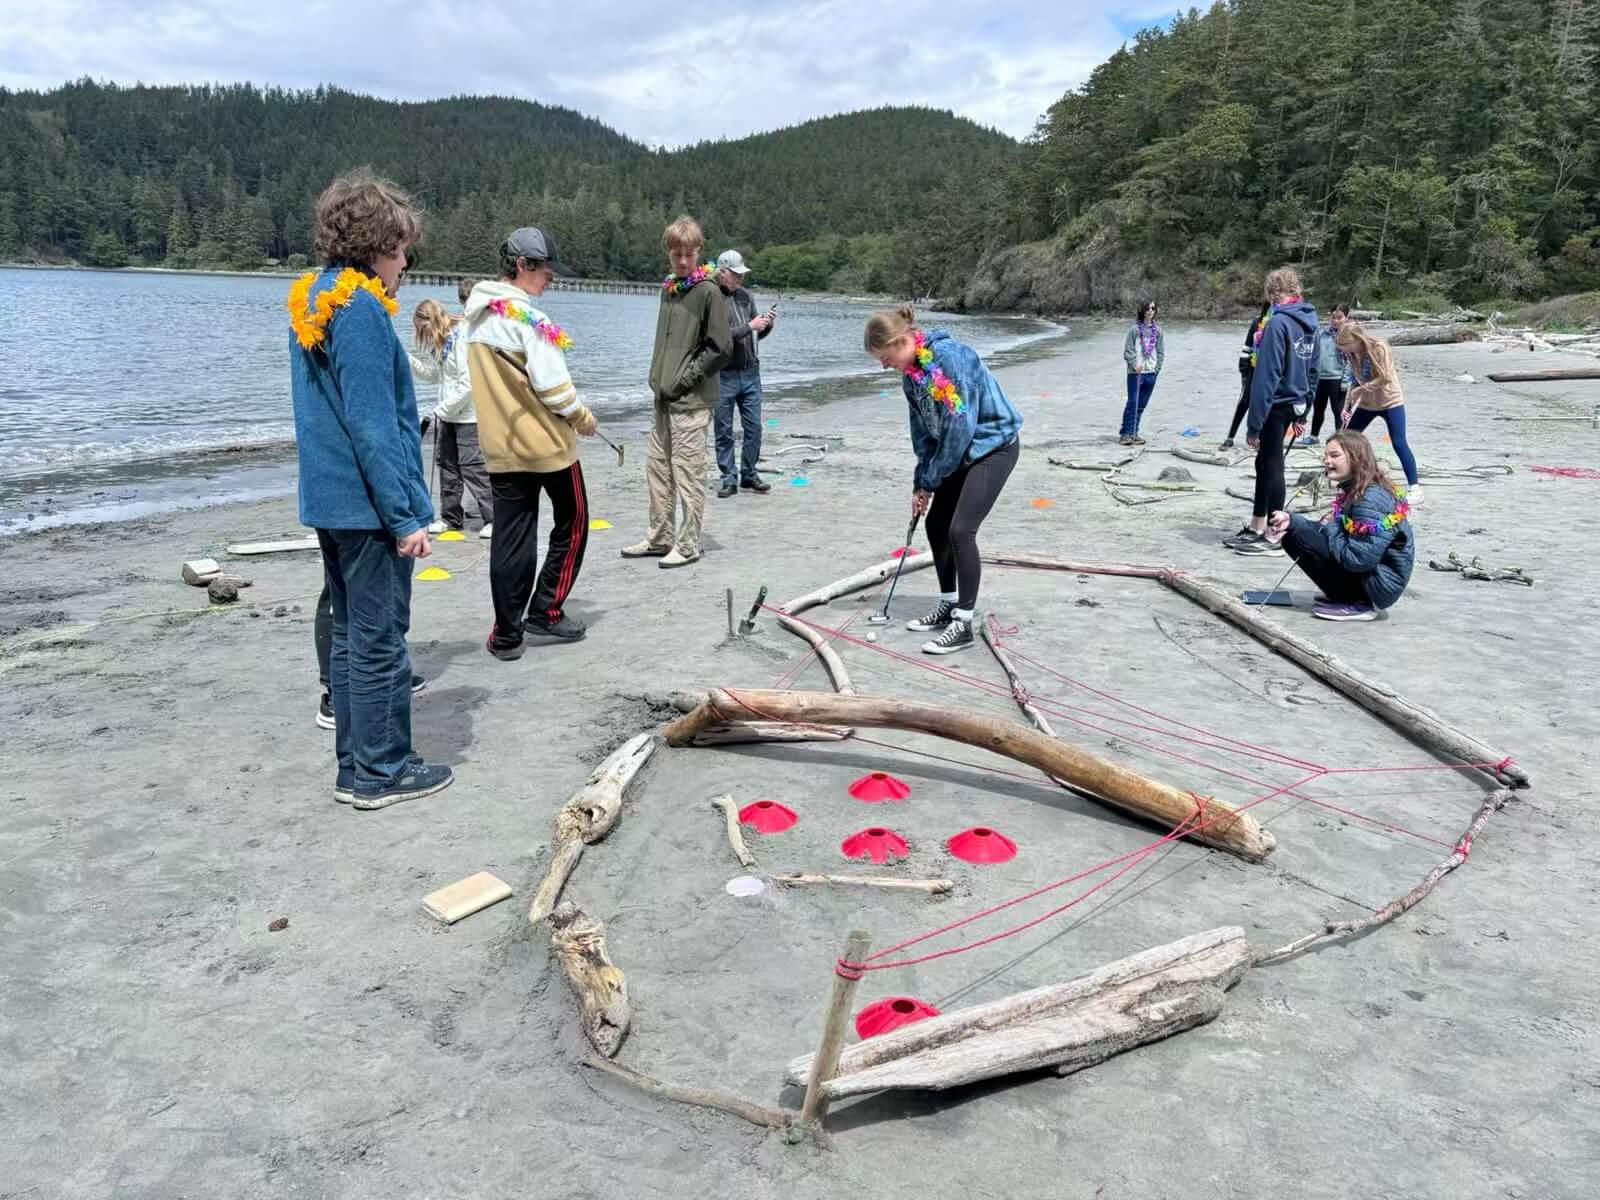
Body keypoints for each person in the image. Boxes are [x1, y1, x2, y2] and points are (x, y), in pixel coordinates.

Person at [287, 168, 452, 808]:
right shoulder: (356, 308)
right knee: (380, 638)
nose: (406, 262)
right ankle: (384, 770)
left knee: (354, 634)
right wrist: (407, 514)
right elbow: (374, 424)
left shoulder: (317, 294)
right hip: (365, 504)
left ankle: (355, 767)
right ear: (378, 244)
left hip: (332, 499)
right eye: (402, 248)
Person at [463, 227, 600, 657]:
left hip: (501, 448)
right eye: (545, 270)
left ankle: (506, 635)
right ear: (522, 266)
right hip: (547, 448)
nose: (551, 278)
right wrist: (584, 419)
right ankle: (546, 610)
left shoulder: (477, 316)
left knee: (511, 537)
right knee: (574, 523)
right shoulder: (531, 321)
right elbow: (556, 391)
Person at [865, 306, 1023, 655]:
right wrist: (921, 482)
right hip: (959, 452)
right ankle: (950, 604)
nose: (883, 365)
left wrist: (935, 478)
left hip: (993, 447)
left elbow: (960, 426)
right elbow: (923, 434)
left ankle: (964, 623)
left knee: (960, 530)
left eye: (885, 356)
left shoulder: (951, 358)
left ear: (902, 340)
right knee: (936, 523)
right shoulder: (910, 374)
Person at [621, 216, 732, 568]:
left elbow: (720, 347)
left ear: (699, 252)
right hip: (663, 399)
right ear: (668, 253)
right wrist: (659, 380)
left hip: (691, 401)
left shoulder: (709, 291)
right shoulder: (669, 288)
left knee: (688, 473)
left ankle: (687, 545)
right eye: (676, 254)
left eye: (688, 254)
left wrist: (683, 379)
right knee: (657, 470)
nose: (683, 261)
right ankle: (659, 537)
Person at [1266, 429, 1414, 621]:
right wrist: (1291, 520)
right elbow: (1338, 534)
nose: (1327, 461)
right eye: (1325, 456)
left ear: (1356, 458)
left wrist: (1332, 525)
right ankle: (1344, 595)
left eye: (1334, 455)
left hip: (1378, 586)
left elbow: (1358, 559)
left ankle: (1358, 602)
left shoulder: (1370, 499)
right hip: (1369, 575)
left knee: (1301, 536)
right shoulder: (1357, 489)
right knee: (1293, 531)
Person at [1228, 267, 1318, 557]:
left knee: (1272, 466)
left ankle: (1275, 534)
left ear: (1270, 292)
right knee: (1263, 465)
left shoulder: (1278, 324)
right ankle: (1257, 524)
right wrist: (1304, 412)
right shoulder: (1310, 321)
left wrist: (1254, 424)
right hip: (1295, 402)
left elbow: (1266, 375)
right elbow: (1313, 371)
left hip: (1277, 403)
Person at [410, 298, 494, 538]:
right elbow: (435, 375)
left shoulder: (462, 336)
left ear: (431, 318)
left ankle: (493, 518)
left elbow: (469, 384)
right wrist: (409, 360)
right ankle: (450, 518)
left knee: (473, 468)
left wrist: (441, 410)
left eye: (423, 328)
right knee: (447, 467)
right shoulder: (444, 339)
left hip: (468, 416)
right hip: (448, 414)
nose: (424, 334)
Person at [1336, 320, 1424, 505]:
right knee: (1346, 440)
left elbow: (1385, 377)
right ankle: (1348, 480)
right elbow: (1354, 382)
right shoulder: (1352, 355)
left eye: (1347, 346)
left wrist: (1363, 388)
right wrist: (1346, 408)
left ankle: (1415, 489)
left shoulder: (1379, 347)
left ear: (1357, 339)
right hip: (1367, 404)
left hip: (1390, 401)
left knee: (1399, 442)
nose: (1345, 351)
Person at [712, 249, 776, 498]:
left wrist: (766, 324)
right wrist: (750, 325)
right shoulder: (712, 298)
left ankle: (749, 474)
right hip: (723, 375)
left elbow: (756, 334)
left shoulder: (746, 296)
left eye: (741, 274)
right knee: (723, 430)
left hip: (750, 373)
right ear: (722, 272)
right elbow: (718, 338)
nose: (740, 279)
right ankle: (729, 478)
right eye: (735, 274)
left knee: (755, 428)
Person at [1219, 302, 1271, 450]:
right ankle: (1230, 437)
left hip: (1269, 372)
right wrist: (1243, 371)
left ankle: (1259, 438)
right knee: (1244, 402)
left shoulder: (1279, 325)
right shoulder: (1256, 323)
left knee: (1265, 406)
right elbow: (1246, 348)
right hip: (1253, 370)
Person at [1302, 303, 1351, 446]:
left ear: (1347, 318)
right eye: (1333, 317)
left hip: (1337, 380)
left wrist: (1346, 380)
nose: (1336, 321)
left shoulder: (1348, 336)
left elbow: (1350, 361)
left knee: (1338, 411)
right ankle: (1313, 436)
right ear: (1329, 317)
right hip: (1320, 378)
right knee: (1318, 409)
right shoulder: (1321, 333)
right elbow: (1313, 354)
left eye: (1340, 318)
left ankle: (1341, 440)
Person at [1118, 299, 1163, 446]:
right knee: (1132, 403)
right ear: (1142, 310)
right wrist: (1133, 364)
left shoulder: (1159, 331)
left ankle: (1134, 433)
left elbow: (1161, 352)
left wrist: (1157, 369)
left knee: (1141, 404)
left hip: (1151, 373)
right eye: (1147, 308)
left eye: (1153, 308)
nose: (1150, 311)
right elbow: (1128, 350)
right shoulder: (1134, 330)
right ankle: (1125, 434)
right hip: (1135, 372)